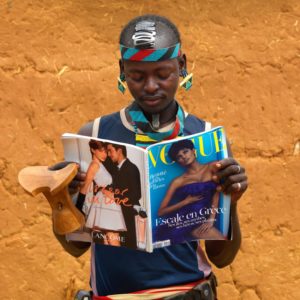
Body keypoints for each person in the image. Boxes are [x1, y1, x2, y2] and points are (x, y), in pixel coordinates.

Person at [54, 14, 248, 300]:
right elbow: (75, 247)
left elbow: (222, 258)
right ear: (122, 70)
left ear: (181, 66)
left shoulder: (207, 141)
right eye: (137, 76)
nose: (151, 86)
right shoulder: (95, 136)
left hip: (187, 293)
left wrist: (231, 203)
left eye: (163, 74)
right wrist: (60, 197)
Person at [156, 139, 225, 244]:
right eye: (179, 156)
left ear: (193, 151)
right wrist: (185, 202)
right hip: (186, 221)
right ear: (178, 161)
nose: (183, 156)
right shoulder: (178, 181)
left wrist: (211, 218)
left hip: (206, 217)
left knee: (223, 243)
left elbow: (217, 191)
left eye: (185, 151)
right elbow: (161, 212)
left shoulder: (212, 166)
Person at [76, 140, 126, 247]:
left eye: (105, 152)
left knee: (109, 239)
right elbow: (84, 188)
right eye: (101, 151)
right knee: (112, 236)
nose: (105, 154)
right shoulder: (94, 165)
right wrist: (78, 209)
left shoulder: (100, 164)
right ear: (93, 150)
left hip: (108, 201)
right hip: (104, 202)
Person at [102, 143, 142, 249]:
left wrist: (114, 196)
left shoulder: (131, 168)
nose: (109, 154)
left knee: (129, 246)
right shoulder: (116, 169)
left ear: (119, 151)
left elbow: (136, 194)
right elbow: (117, 185)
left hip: (128, 215)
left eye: (110, 151)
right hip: (118, 215)